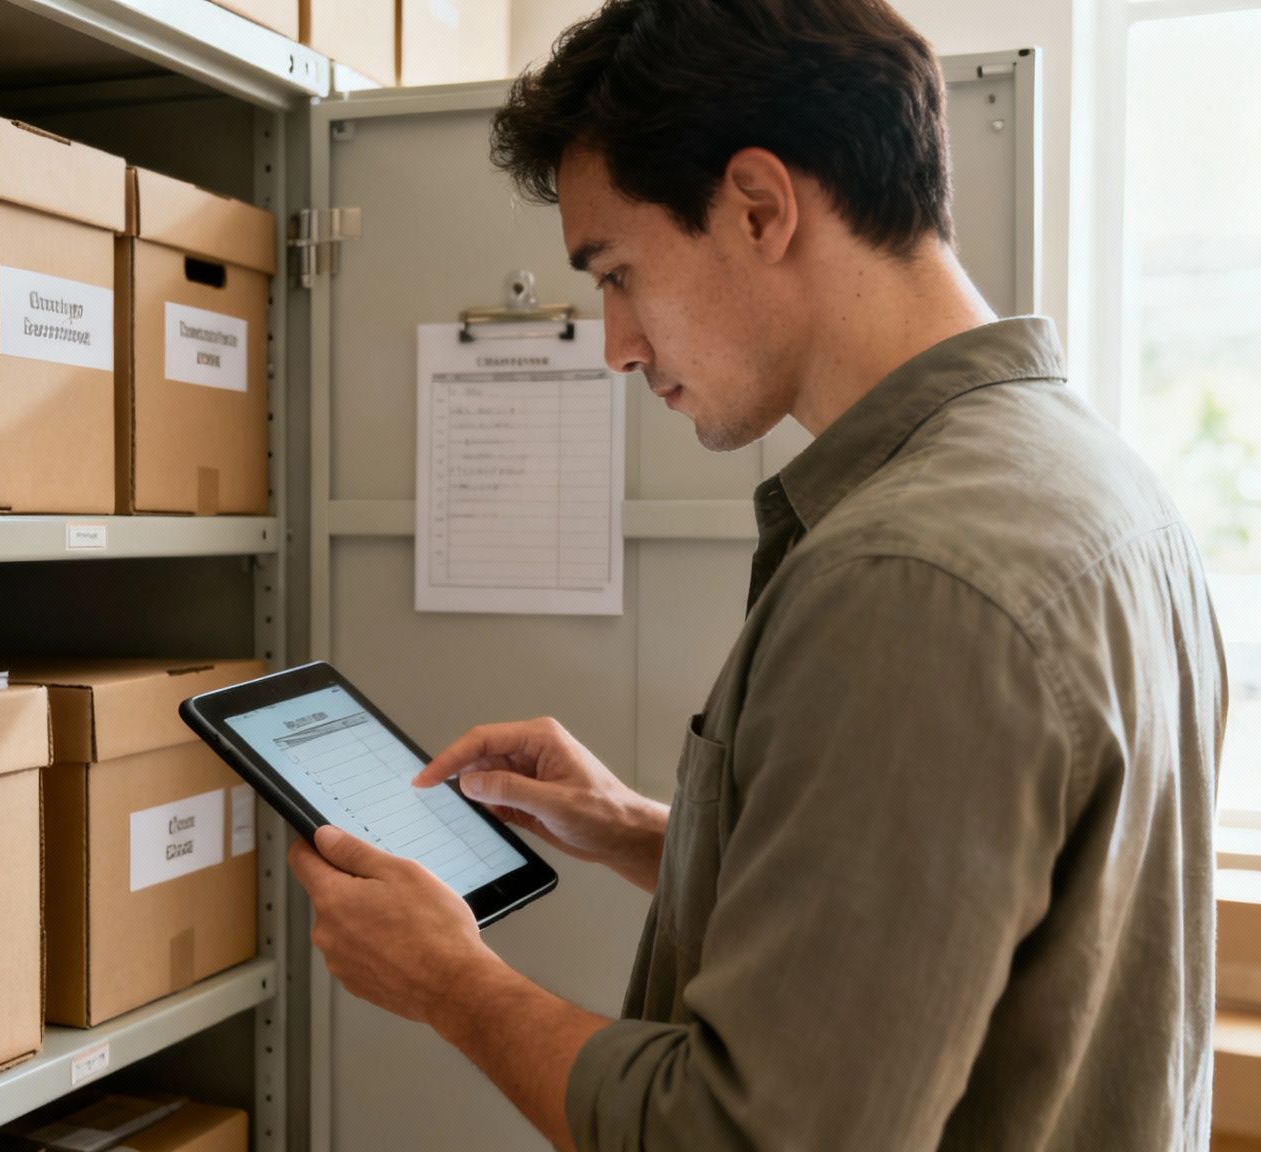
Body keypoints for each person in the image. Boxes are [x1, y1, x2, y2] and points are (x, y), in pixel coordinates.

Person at [286, 0, 1227, 1148]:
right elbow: (956, 921)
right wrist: (646, 832)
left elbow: (744, 1135)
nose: (615, 343)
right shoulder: (1090, 479)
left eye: (618, 271)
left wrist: (451, 984)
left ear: (756, 206)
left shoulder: (910, 577)